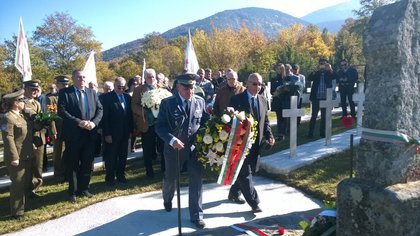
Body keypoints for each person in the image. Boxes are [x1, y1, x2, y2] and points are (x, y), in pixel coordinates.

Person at [155, 73, 210, 229]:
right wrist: (172, 140)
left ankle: (196, 215)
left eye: (192, 87)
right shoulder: (168, 103)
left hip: (194, 149)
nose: (189, 90)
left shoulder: (200, 102)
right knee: (171, 178)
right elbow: (160, 127)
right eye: (186, 87)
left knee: (196, 181)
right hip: (174, 150)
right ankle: (167, 198)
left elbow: (205, 121)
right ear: (178, 86)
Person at [227, 73, 275, 213]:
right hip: (240, 143)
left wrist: (270, 136)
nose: (257, 87)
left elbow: (265, 122)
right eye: (254, 84)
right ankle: (254, 203)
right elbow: (230, 121)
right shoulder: (236, 100)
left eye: (260, 84)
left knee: (248, 171)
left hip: (256, 144)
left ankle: (234, 193)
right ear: (247, 84)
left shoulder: (263, 100)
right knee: (245, 173)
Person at [58, 69, 103, 203]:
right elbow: (62, 111)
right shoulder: (65, 93)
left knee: (87, 163)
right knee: (72, 164)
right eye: (79, 77)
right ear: (73, 78)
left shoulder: (92, 92)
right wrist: (79, 122)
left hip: (89, 133)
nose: (82, 79)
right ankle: (73, 191)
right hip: (74, 134)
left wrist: (94, 123)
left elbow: (100, 109)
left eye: (84, 77)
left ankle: (84, 188)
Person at [0, 89, 32, 219]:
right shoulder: (8, 117)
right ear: (15, 103)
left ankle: (23, 206)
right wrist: (14, 157)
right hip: (17, 156)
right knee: (17, 184)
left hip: (26, 154)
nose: (24, 102)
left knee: (24, 182)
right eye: (22, 100)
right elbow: (8, 138)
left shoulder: (20, 115)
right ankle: (17, 212)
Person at [131, 68, 163, 176]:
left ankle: (164, 169)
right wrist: (144, 112)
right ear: (145, 78)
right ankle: (149, 171)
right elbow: (134, 106)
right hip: (147, 124)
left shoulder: (161, 88)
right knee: (147, 148)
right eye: (149, 77)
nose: (151, 79)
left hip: (160, 124)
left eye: (153, 76)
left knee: (162, 146)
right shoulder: (138, 90)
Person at [102, 77, 132, 186]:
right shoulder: (106, 98)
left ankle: (121, 175)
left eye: (123, 87)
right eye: (119, 87)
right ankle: (110, 178)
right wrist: (107, 133)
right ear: (114, 86)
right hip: (112, 133)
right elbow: (105, 118)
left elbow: (130, 116)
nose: (121, 89)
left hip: (125, 132)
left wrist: (130, 130)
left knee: (123, 155)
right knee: (111, 156)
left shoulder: (127, 97)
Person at [22, 80, 45, 198]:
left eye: (36, 89)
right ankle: (27, 190)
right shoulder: (20, 103)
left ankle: (36, 186)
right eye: (32, 89)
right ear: (25, 89)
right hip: (27, 138)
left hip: (38, 137)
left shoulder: (37, 103)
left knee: (38, 164)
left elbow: (40, 117)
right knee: (28, 166)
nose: (35, 91)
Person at [47, 75, 70, 182]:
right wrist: (53, 130)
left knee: (69, 152)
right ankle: (59, 175)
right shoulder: (51, 98)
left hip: (70, 128)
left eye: (67, 84)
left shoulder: (70, 95)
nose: (65, 86)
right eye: (63, 84)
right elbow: (50, 115)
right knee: (58, 153)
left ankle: (68, 173)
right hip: (58, 129)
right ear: (57, 85)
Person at [307, 58, 335, 138]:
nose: (322, 65)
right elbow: (309, 78)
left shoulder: (329, 73)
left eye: (324, 63)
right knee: (314, 116)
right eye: (321, 63)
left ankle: (322, 133)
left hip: (325, 97)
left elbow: (335, 76)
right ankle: (310, 133)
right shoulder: (317, 72)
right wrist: (315, 70)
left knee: (324, 116)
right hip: (316, 97)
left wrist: (330, 69)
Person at [270, 63, 287, 140]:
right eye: (279, 68)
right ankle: (280, 133)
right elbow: (271, 91)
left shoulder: (287, 78)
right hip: (278, 100)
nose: (280, 70)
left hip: (285, 100)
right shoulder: (274, 79)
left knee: (285, 118)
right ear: (276, 70)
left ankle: (284, 132)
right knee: (279, 118)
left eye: (282, 68)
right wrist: (276, 92)